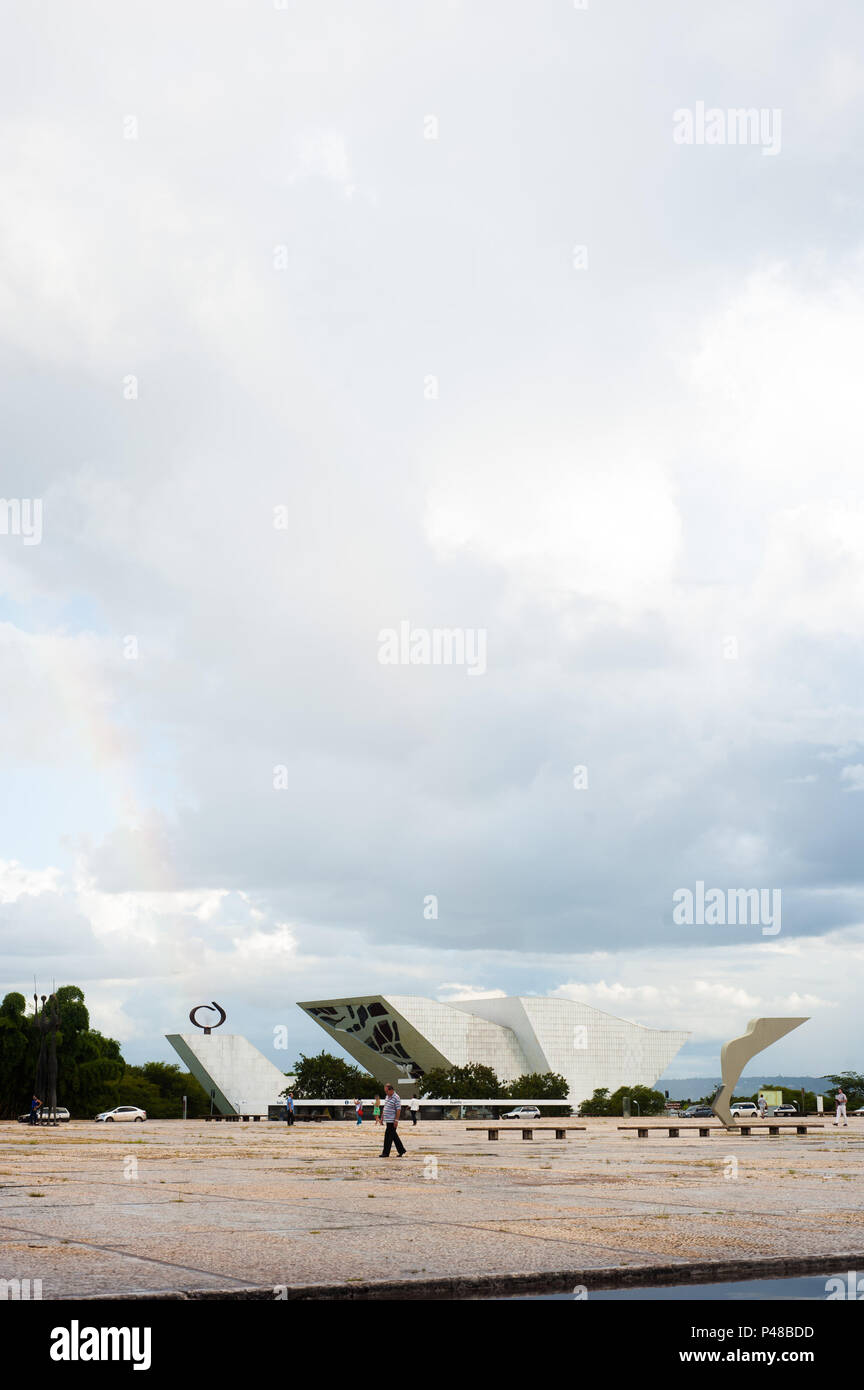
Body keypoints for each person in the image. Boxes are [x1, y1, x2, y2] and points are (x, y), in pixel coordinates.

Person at [379, 1084, 405, 1157]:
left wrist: (396, 1120)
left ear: (391, 1090)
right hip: (388, 1120)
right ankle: (401, 1150)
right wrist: (382, 1117)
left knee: (388, 1137)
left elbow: (398, 1109)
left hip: (392, 1120)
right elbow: (385, 1107)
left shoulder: (396, 1097)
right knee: (393, 1136)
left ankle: (386, 1153)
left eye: (387, 1091)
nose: (386, 1093)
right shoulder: (387, 1096)